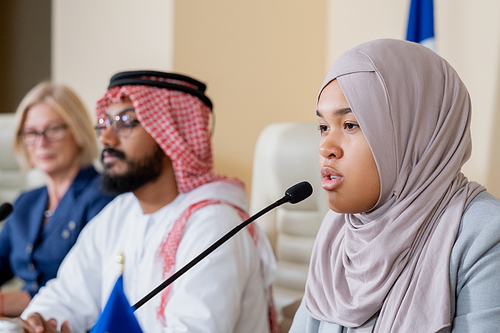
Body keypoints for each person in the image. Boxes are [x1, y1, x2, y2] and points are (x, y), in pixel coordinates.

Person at [20, 71, 278, 333]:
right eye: (105, 123)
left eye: (125, 123)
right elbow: (67, 294)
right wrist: (41, 321)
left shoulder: (214, 224)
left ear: (171, 133)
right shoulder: (118, 214)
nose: (106, 139)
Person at [289, 39, 500, 332]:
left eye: (350, 125)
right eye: (323, 127)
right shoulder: (337, 231)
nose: (326, 147)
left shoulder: (485, 234)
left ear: (413, 130)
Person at [0, 82, 115, 317]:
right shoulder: (25, 202)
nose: (41, 142)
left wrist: (12, 302)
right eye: (31, 132)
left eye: (53, 129)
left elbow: (95, 286)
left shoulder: (104, 196)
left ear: (79, 132)